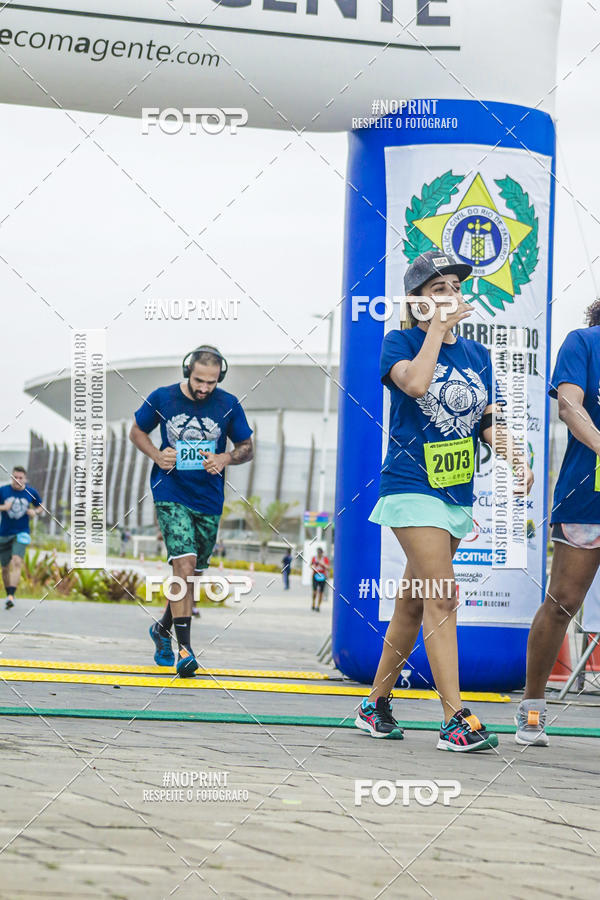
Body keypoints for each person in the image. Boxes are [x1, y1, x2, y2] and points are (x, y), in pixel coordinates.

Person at [355, 251, 533, 749]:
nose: (450, 294)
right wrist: (434, 328)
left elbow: (486, 420)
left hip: (455, 493)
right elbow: (412, 384)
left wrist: (515, 455)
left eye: (454, 286)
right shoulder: (401, 341)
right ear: (416, 301)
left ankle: (374, 704)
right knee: (443, 595)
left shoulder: (476, 355)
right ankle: (454, 717)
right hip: (411, 486)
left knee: (412, 605)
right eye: (437, 289)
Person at [130, 345, 253, 676]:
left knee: (193, 575)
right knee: (182, 565)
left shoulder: (228, 405)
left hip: (209, 499)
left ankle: (161, 629)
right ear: (188, 371)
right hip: (170, 491)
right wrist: (157, 455)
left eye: (211, 383)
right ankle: (184, 648)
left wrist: (225, 458)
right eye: (199, 380)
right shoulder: (163, 398)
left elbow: (246, 447)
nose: (203, 388)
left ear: (220, 378)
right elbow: (137, 431)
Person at [516, 302, 600, 746]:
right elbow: (570, 406)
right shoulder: (583, 343)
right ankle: (532, 706)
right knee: (563, 602)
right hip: (588, 499)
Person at [0, 466, 42, 610]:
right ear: (11, 477)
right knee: (4, 568)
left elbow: (40, 506)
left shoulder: (31, 492)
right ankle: (8, 594)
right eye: (15, 477)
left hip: (22, 532)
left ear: (25, 479)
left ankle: (11, 596)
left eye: (20, 478)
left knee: (17, 561)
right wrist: (3, 508)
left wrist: (35, 511)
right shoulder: (3, 490)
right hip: (4, 533)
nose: (17, 480)